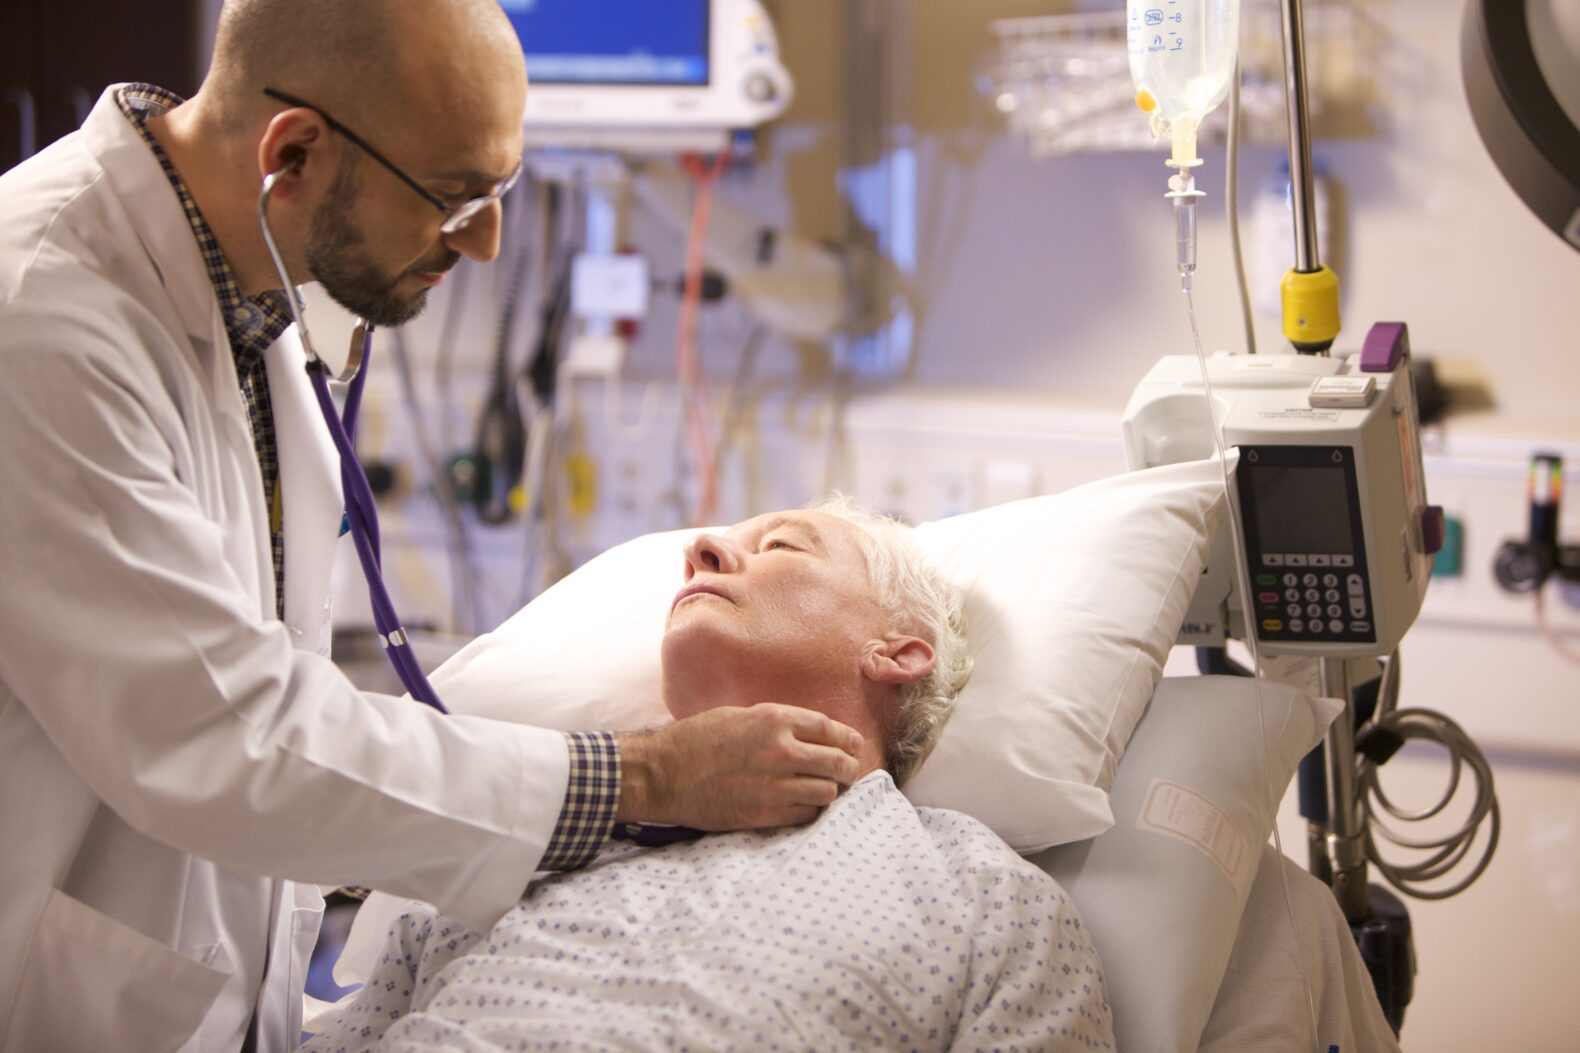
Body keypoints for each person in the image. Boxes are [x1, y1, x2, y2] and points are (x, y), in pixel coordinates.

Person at [0, 3, 863, 1051]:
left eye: (496, 192)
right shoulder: (38, 317)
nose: (487, 242)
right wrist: (649, 777)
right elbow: (227, 737)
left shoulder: (248, 284)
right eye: (453, 199)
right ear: (295, 153)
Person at [303, 501, 1118, 1052]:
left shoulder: (983, 899)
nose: (703, 547)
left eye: (781, 546)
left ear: (899, 651)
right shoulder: (528, 835)